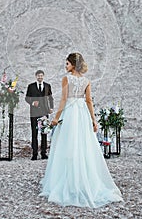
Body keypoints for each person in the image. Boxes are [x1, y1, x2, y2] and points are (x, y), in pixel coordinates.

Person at [39, 53, 123, 208]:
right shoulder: (86, 81)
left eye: (67, 64)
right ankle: (85, 180)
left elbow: (64, 99)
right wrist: (93, 120)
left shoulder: (66, 79)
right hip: (82, 114)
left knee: (66, 145)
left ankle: (67, 182)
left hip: (70, 113)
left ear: (72, 64)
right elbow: (89, 101)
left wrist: (56, 118)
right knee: (84, 146)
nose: (65, 67)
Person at [25, 70, 54, 160]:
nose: (40, 77)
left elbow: (50, 98)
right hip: (34, 112)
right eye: (38, 76)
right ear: (36, 76)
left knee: (44, 132)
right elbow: (27, 98)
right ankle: (34, 153)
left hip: (44, 112)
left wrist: (51, 108)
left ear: (43, 76)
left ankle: (43, 153)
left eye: (41, 75)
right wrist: (32, 103)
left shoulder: (47, 86)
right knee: (34, 133)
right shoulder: (31, 86)